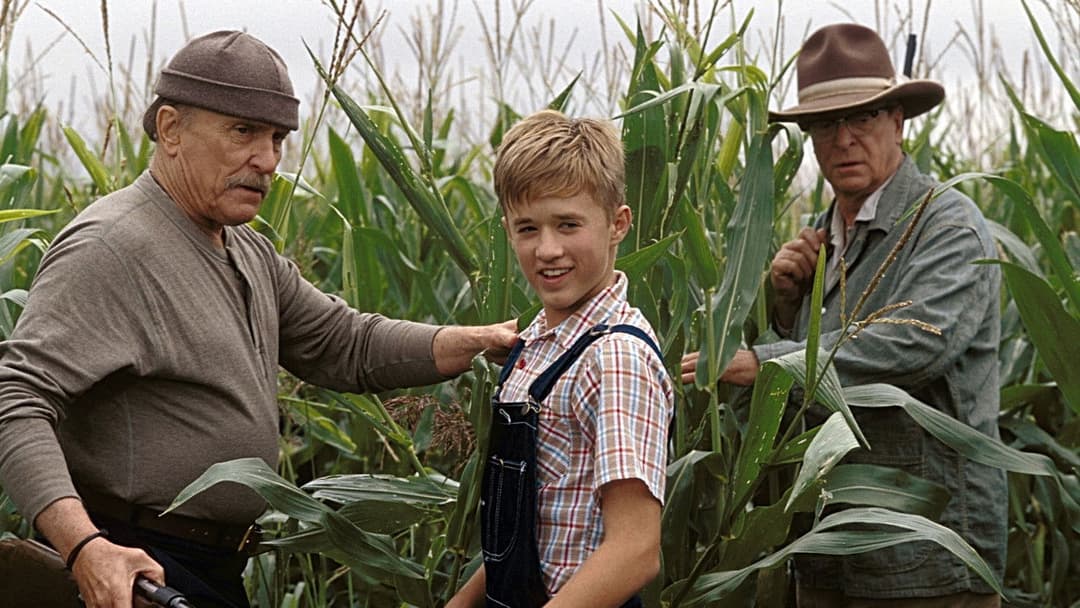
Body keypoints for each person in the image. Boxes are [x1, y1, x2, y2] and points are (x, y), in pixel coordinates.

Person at [0, 30, 516, 608]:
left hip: (210, 571)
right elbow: (16, 401)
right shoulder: (111, 248)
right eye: (243, 131)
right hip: (136, 572)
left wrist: (477, 342)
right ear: (170, 129)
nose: (267, 160)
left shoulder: (246, 250)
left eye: (277, 138)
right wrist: (84, 548)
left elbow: (344, 343)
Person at [681, 23, 1006, 607]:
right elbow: (811, 389)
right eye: (827, 124)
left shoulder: (947, 226)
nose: (845, 139)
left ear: (898, 122)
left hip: (923, 548)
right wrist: (784, 307)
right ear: (809, 138)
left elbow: (916, 342)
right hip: (827, 543)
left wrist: (766, 362)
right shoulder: (823, 240)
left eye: (863, 119)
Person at [446, 110, 674, 608]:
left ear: (618, 224)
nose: (548, 249)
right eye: (528, 228)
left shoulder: (614, 358)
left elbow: (635, 549)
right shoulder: (537, 346)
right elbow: (532, 528)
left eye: (568, 224)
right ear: (507, 229)